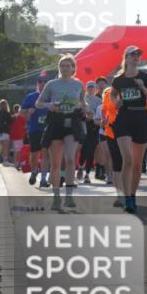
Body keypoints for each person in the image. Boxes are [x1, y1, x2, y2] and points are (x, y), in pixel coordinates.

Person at [111, 46, 147, 213]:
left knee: (138, 164)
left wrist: (142, 87)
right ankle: (126, 197)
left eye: (139, 54)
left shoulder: (145, 77)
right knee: (128, 158)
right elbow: (113, 94)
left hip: (140, 119)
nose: (137, 56)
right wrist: (116, 101)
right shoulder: (119, 79)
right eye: (133, 54)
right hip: (123, 119)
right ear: (126, 58)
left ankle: (132, 195)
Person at [36, 56, 87, 210]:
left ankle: (69, 196)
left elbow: (83, 102)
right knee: (56, 162)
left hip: (72, 122)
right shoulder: (52, 84)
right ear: (59, 68)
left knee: (71, 159)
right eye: (62, 66)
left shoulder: (78, 84)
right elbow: (38, 103)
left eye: (67, 66)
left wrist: (84, 107)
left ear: (73, 68)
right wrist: (49, 105)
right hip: (56, 122)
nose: (64, 68)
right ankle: (56, 196)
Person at [22, 78, 49, 186]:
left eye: (45, 82)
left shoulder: (51, 96)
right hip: (34, 128)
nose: (42, 84)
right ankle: (34, 171)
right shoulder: (31, 96)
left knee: (46, 153)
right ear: (37, 84)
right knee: (34, 154)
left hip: (48, 128)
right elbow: (21, 111)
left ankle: (43, 179)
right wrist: (28, 111)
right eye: (40, 82)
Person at [80, 82, 102, 183]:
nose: (91, 89)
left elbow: (101, 114)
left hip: (95, 127)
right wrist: (85, 116)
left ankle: (87, 174)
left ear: (95, 89)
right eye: (89, 87)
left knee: (91, 150)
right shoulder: (82, 99)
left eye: (92, 87)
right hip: (84, 126)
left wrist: (95, 118)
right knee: (84, 149)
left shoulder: (99, 100)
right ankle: (80, 166)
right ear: (86, 88)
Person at [9, 105, 26, 169]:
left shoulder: (12, 117)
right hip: (19, 136)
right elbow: (25, 126)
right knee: (18, 151)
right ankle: (17, 163)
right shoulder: (21, 117)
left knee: (14, 150)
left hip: (12, 136)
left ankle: (14, 162)